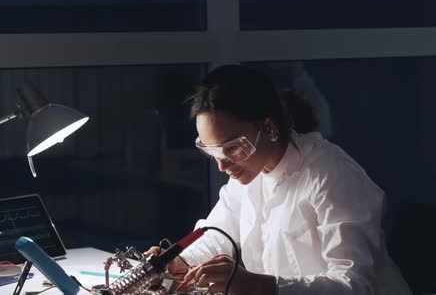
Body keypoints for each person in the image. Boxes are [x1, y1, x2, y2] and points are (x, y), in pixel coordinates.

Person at [147, 64, 411, 295]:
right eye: (212, 150)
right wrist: (177, 261)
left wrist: (258, 286)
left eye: (232, 148)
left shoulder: (332, 176)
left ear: (270, 128)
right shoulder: (249, 174)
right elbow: (217, 235)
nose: (222, 164)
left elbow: (353, 285)